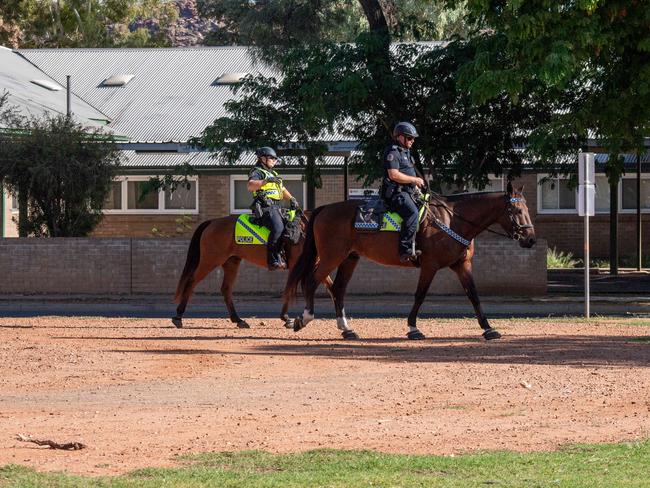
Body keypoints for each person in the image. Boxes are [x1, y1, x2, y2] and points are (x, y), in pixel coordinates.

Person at [380, 122, 427, 263]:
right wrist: (415, 179)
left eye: (413, 138)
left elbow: (407, 175)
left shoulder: (406, 153)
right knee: (411, 212)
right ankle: (405, 250)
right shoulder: (393, 152)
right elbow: (393, 174)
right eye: (410, 137)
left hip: (408, 192)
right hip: (395, 194)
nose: (412, 140)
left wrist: (416, 187)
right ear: (400, 137)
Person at [247, 147, 298, 270]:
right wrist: (265, 181)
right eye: (271, 158)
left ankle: (283, 255)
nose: (274, 160)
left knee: (289, 228)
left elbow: (282, 189)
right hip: (265, 207)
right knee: (278, 228)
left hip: (277, 206)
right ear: (262, 158)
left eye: (275, 159)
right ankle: (272, 260)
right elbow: (250, 186)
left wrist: (291, 199)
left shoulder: (274, 174)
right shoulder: (257, 171)